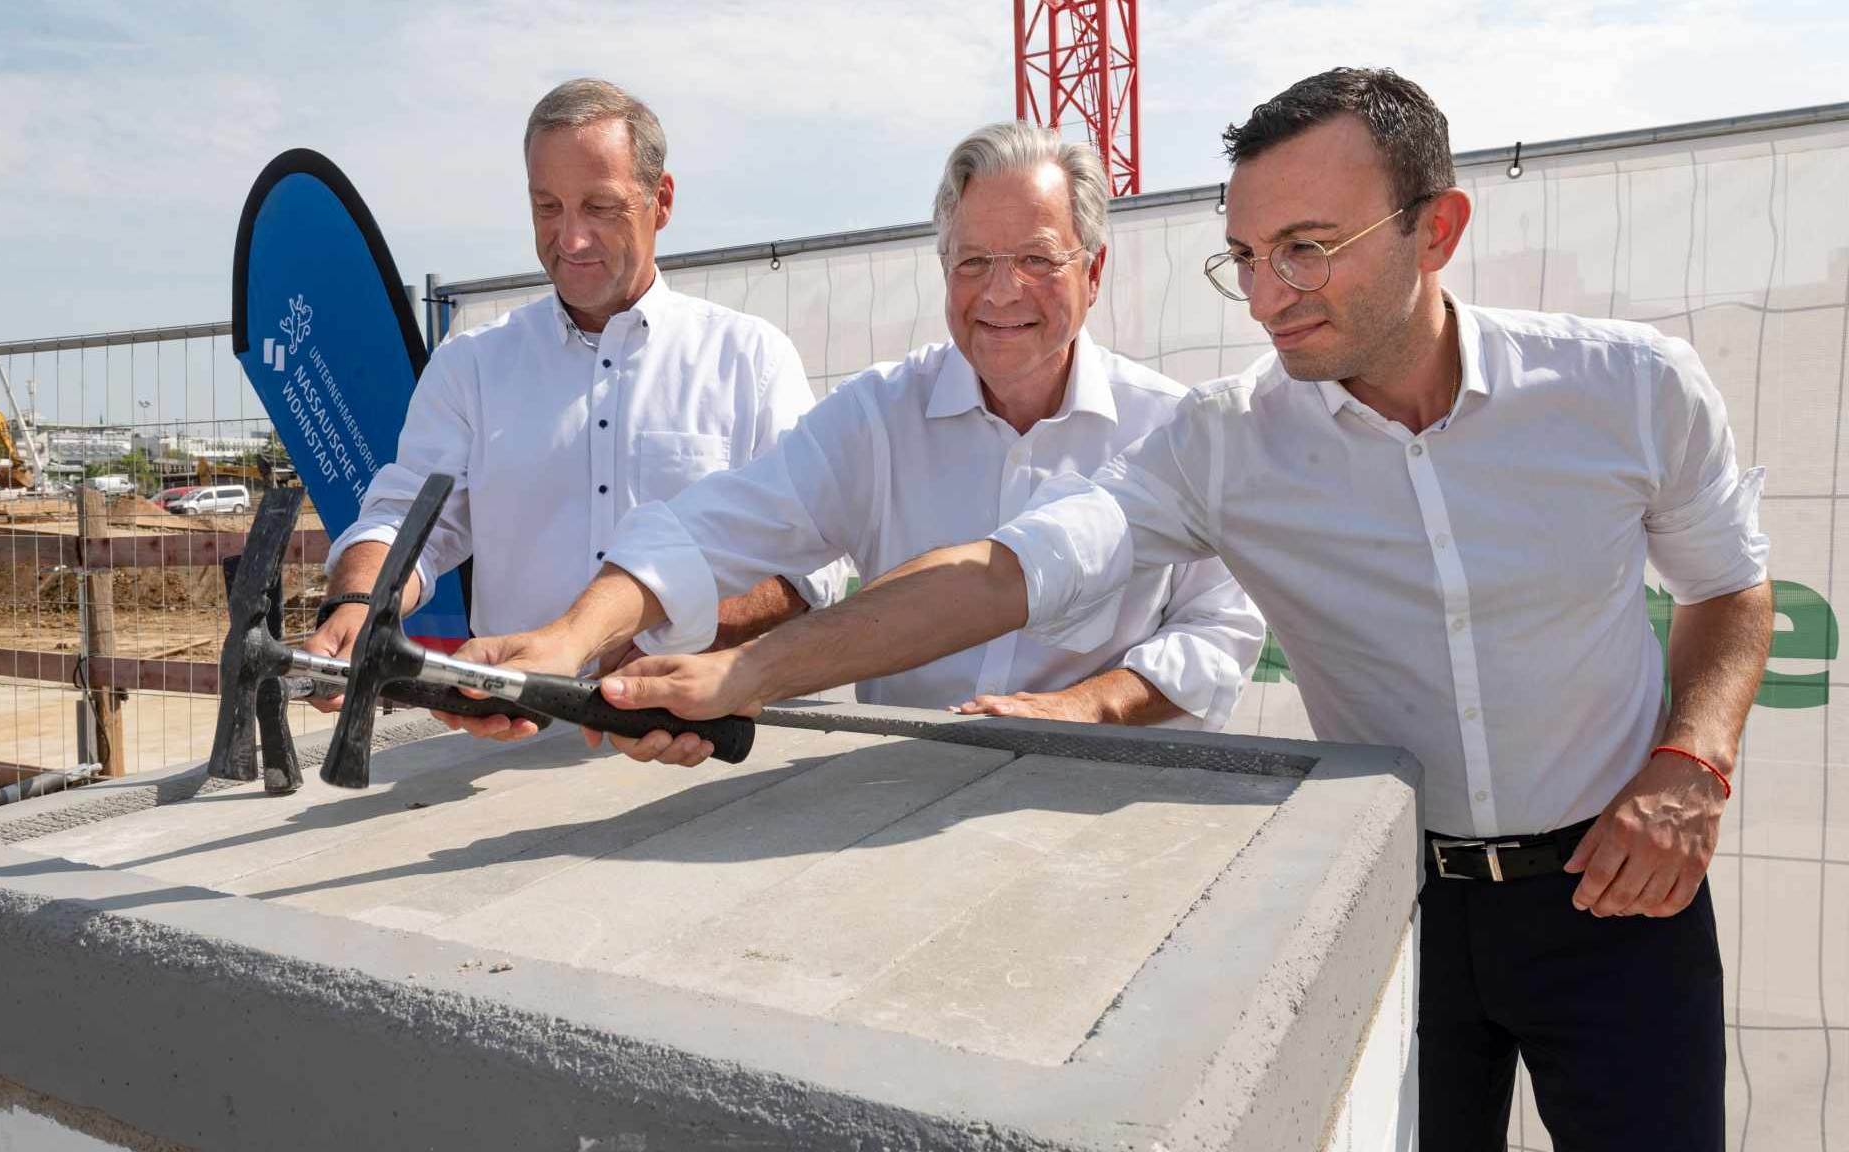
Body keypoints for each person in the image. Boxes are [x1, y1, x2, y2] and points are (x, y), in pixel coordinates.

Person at [508, 69, 1773, 1151]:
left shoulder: (1629, 388)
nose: (1273, 292)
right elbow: (1003, 571)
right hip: (1394, 906)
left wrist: (1693, 759)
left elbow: (1730, 582)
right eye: (1249, 257)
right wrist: (741, 674)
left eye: (1310, 248)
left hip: (1622, 898)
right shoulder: (1226, 446)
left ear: (1436, 228)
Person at [437, 122, 1264, 762]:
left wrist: (1089, 705)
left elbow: (1220, 631)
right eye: (972, 260)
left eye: (1036, 259)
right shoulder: (880, 418)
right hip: (896, 790)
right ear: (941, 269)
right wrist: (574, 638)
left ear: (1095, 269)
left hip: (1101, 796)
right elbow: (709, 526)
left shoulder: (1169, 427)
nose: (1001, 291)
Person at [302, 78, 840, 699]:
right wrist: (358, 602)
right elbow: (408, 517)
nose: (571, 238)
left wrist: (672, 644)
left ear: (660, 201)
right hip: (513, 732)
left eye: (600, 207)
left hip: (701, 732)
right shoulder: (473, 365)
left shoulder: (750, 360)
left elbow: (815, 562)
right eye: (547, 207)